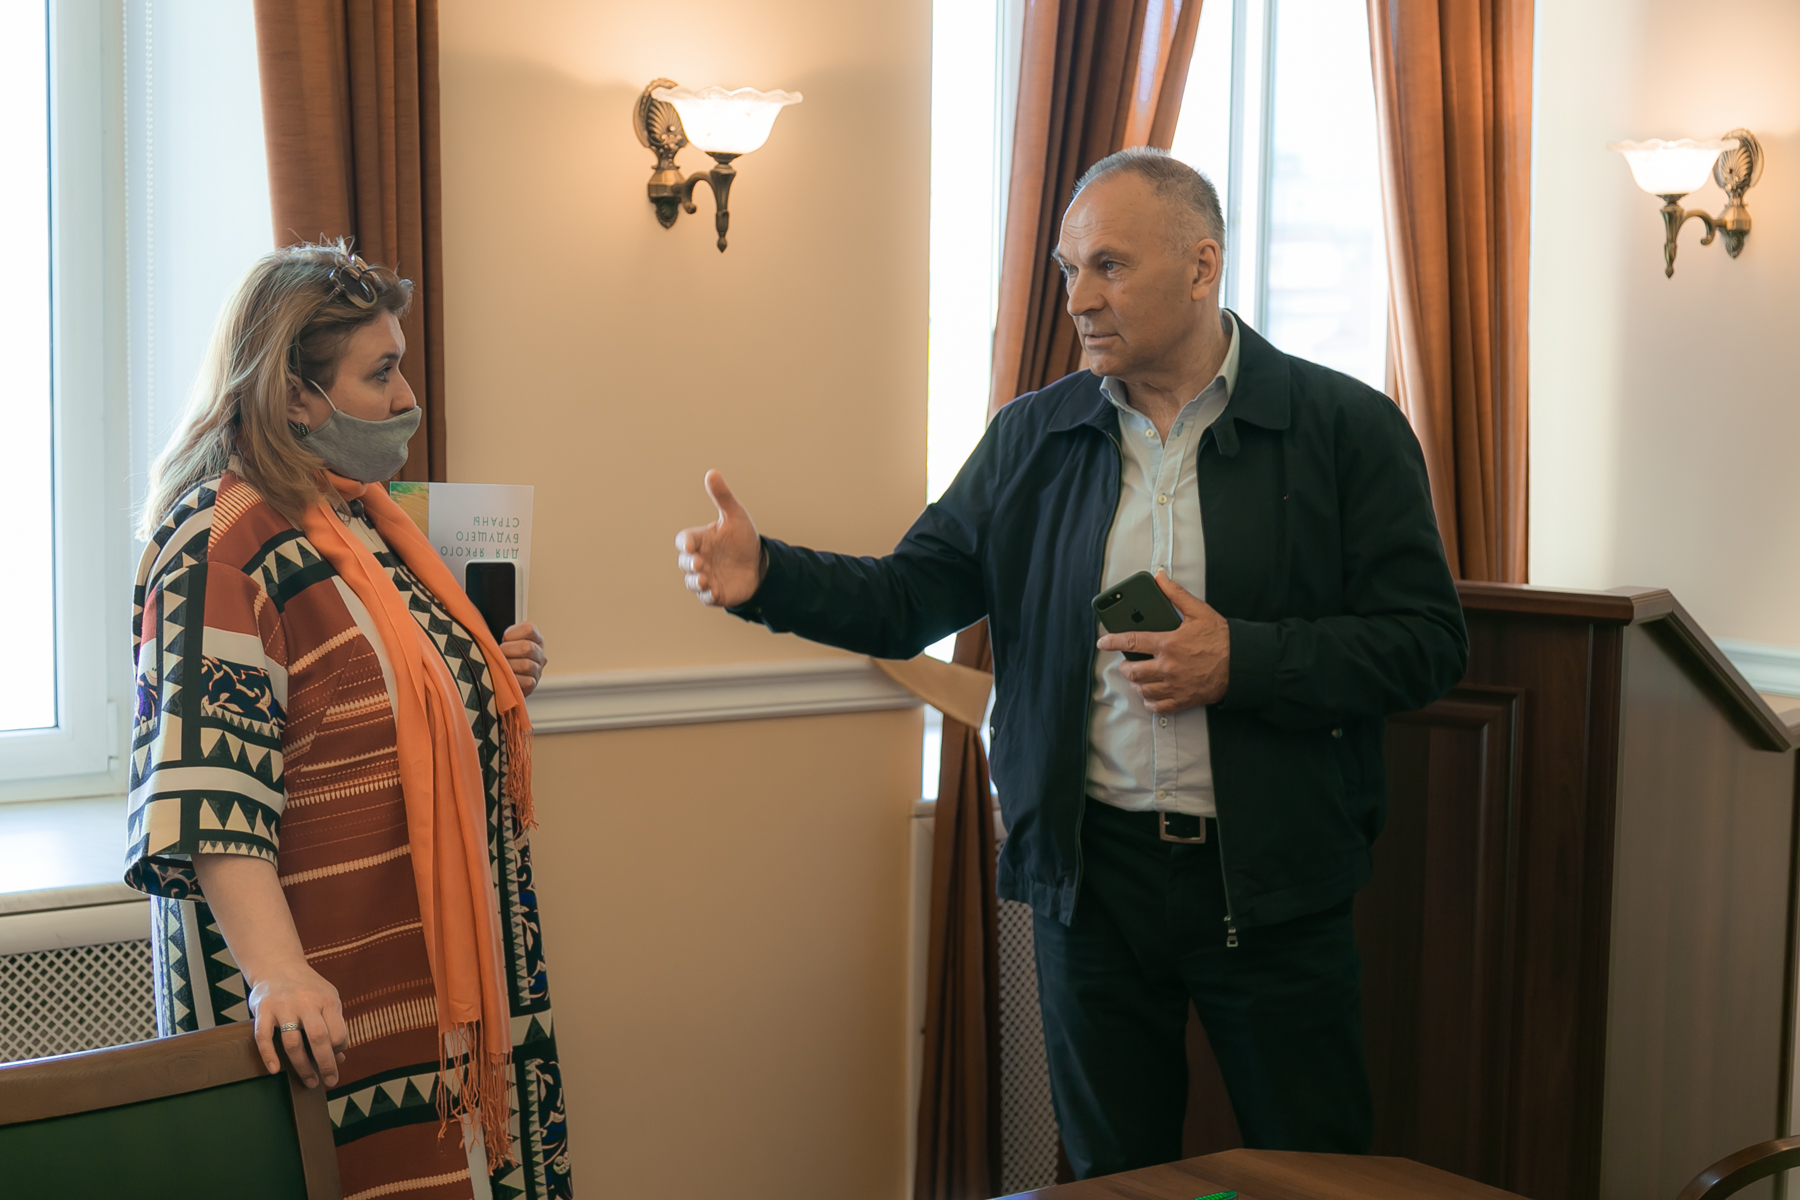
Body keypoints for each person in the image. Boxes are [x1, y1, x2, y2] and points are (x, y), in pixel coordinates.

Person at [674, 148, 1467, 1178]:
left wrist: (1243, 660)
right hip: (1092, 887)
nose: (1079, 299)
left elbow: (1427, 644)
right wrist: (768, 577)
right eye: (1067, 270)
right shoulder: (1031, 438)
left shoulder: (1345, 429)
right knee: (1111, 1180)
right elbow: (908, 599)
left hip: (1275, 886)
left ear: (1202, 265)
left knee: (1310, 1177)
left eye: (1109, 266)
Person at [126, 243, 571, 1199]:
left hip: (423, 993)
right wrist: (279, 975)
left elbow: (383, 699)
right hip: (322, 1006)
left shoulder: (361, 520)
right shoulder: (220, 545)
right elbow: (209, 791)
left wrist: (486, 680)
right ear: (295, 395)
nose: (407, 397)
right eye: (381, 373)